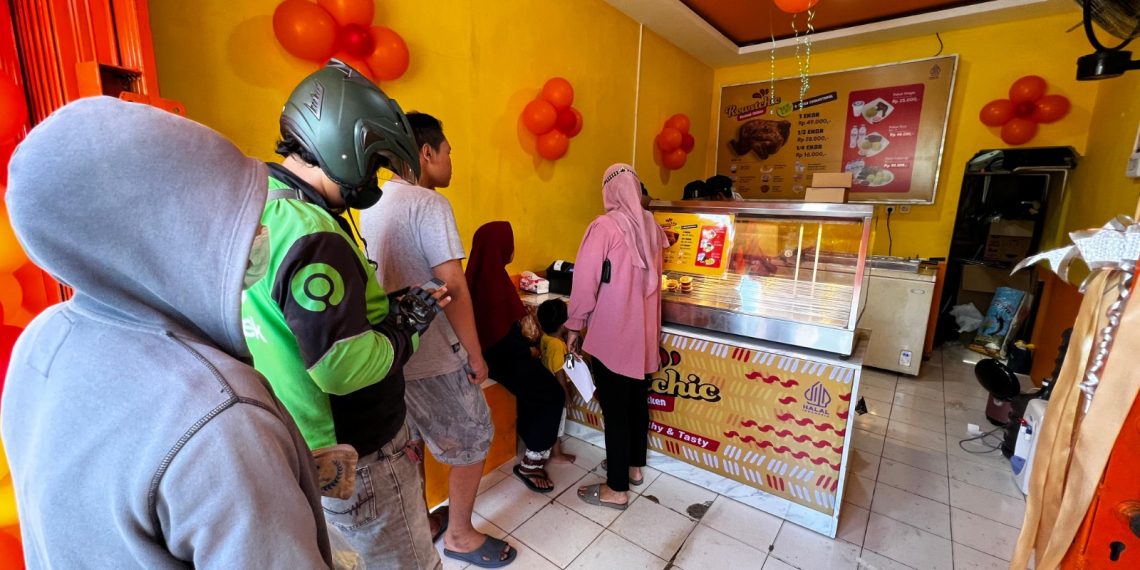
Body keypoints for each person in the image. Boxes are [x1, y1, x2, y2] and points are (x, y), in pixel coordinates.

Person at [1, 97, 332, 567]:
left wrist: (282, 470)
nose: (259, 234)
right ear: (161, 235)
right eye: (229, 219)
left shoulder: (41, 340)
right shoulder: (220, 419)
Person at [241, 60, 446, 569]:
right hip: (362, 450)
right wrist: (406, 327)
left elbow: (302, 322)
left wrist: (388, 309)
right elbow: (341, 366)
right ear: (342, 143)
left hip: (298, 437)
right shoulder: (313, 233)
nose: (372, 179)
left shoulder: (261, 202)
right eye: (373, 163)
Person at [358, 112, 517, 568]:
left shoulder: (369, 205)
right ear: (426, 153)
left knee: (412, 443)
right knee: (473, 437)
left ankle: (425, 523)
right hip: (433, 355)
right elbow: (454, 287)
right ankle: (461, 536)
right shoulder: (428, 204)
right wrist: (475, 353)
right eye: (448, 152)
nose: (450, 161)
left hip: (390, 355)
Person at [569, 163, 668, 510]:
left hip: (613, 335)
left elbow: (585, 282)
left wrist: (574, 325)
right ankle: (634, 468)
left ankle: (616, 488)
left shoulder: (604, 227)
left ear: (609, 190)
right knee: (637, 403)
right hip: (644, 337)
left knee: (615, 411)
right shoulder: (652, 226)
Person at [467, 222, 572, 493]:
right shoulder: (494, 281)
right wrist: (528, 351)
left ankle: (532, 438)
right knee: (552, 394)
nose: (512, 250)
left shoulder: (481, 275)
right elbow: (502, 338)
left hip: (496, 355)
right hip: (502, 357)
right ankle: (531, 463)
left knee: (534, 389)